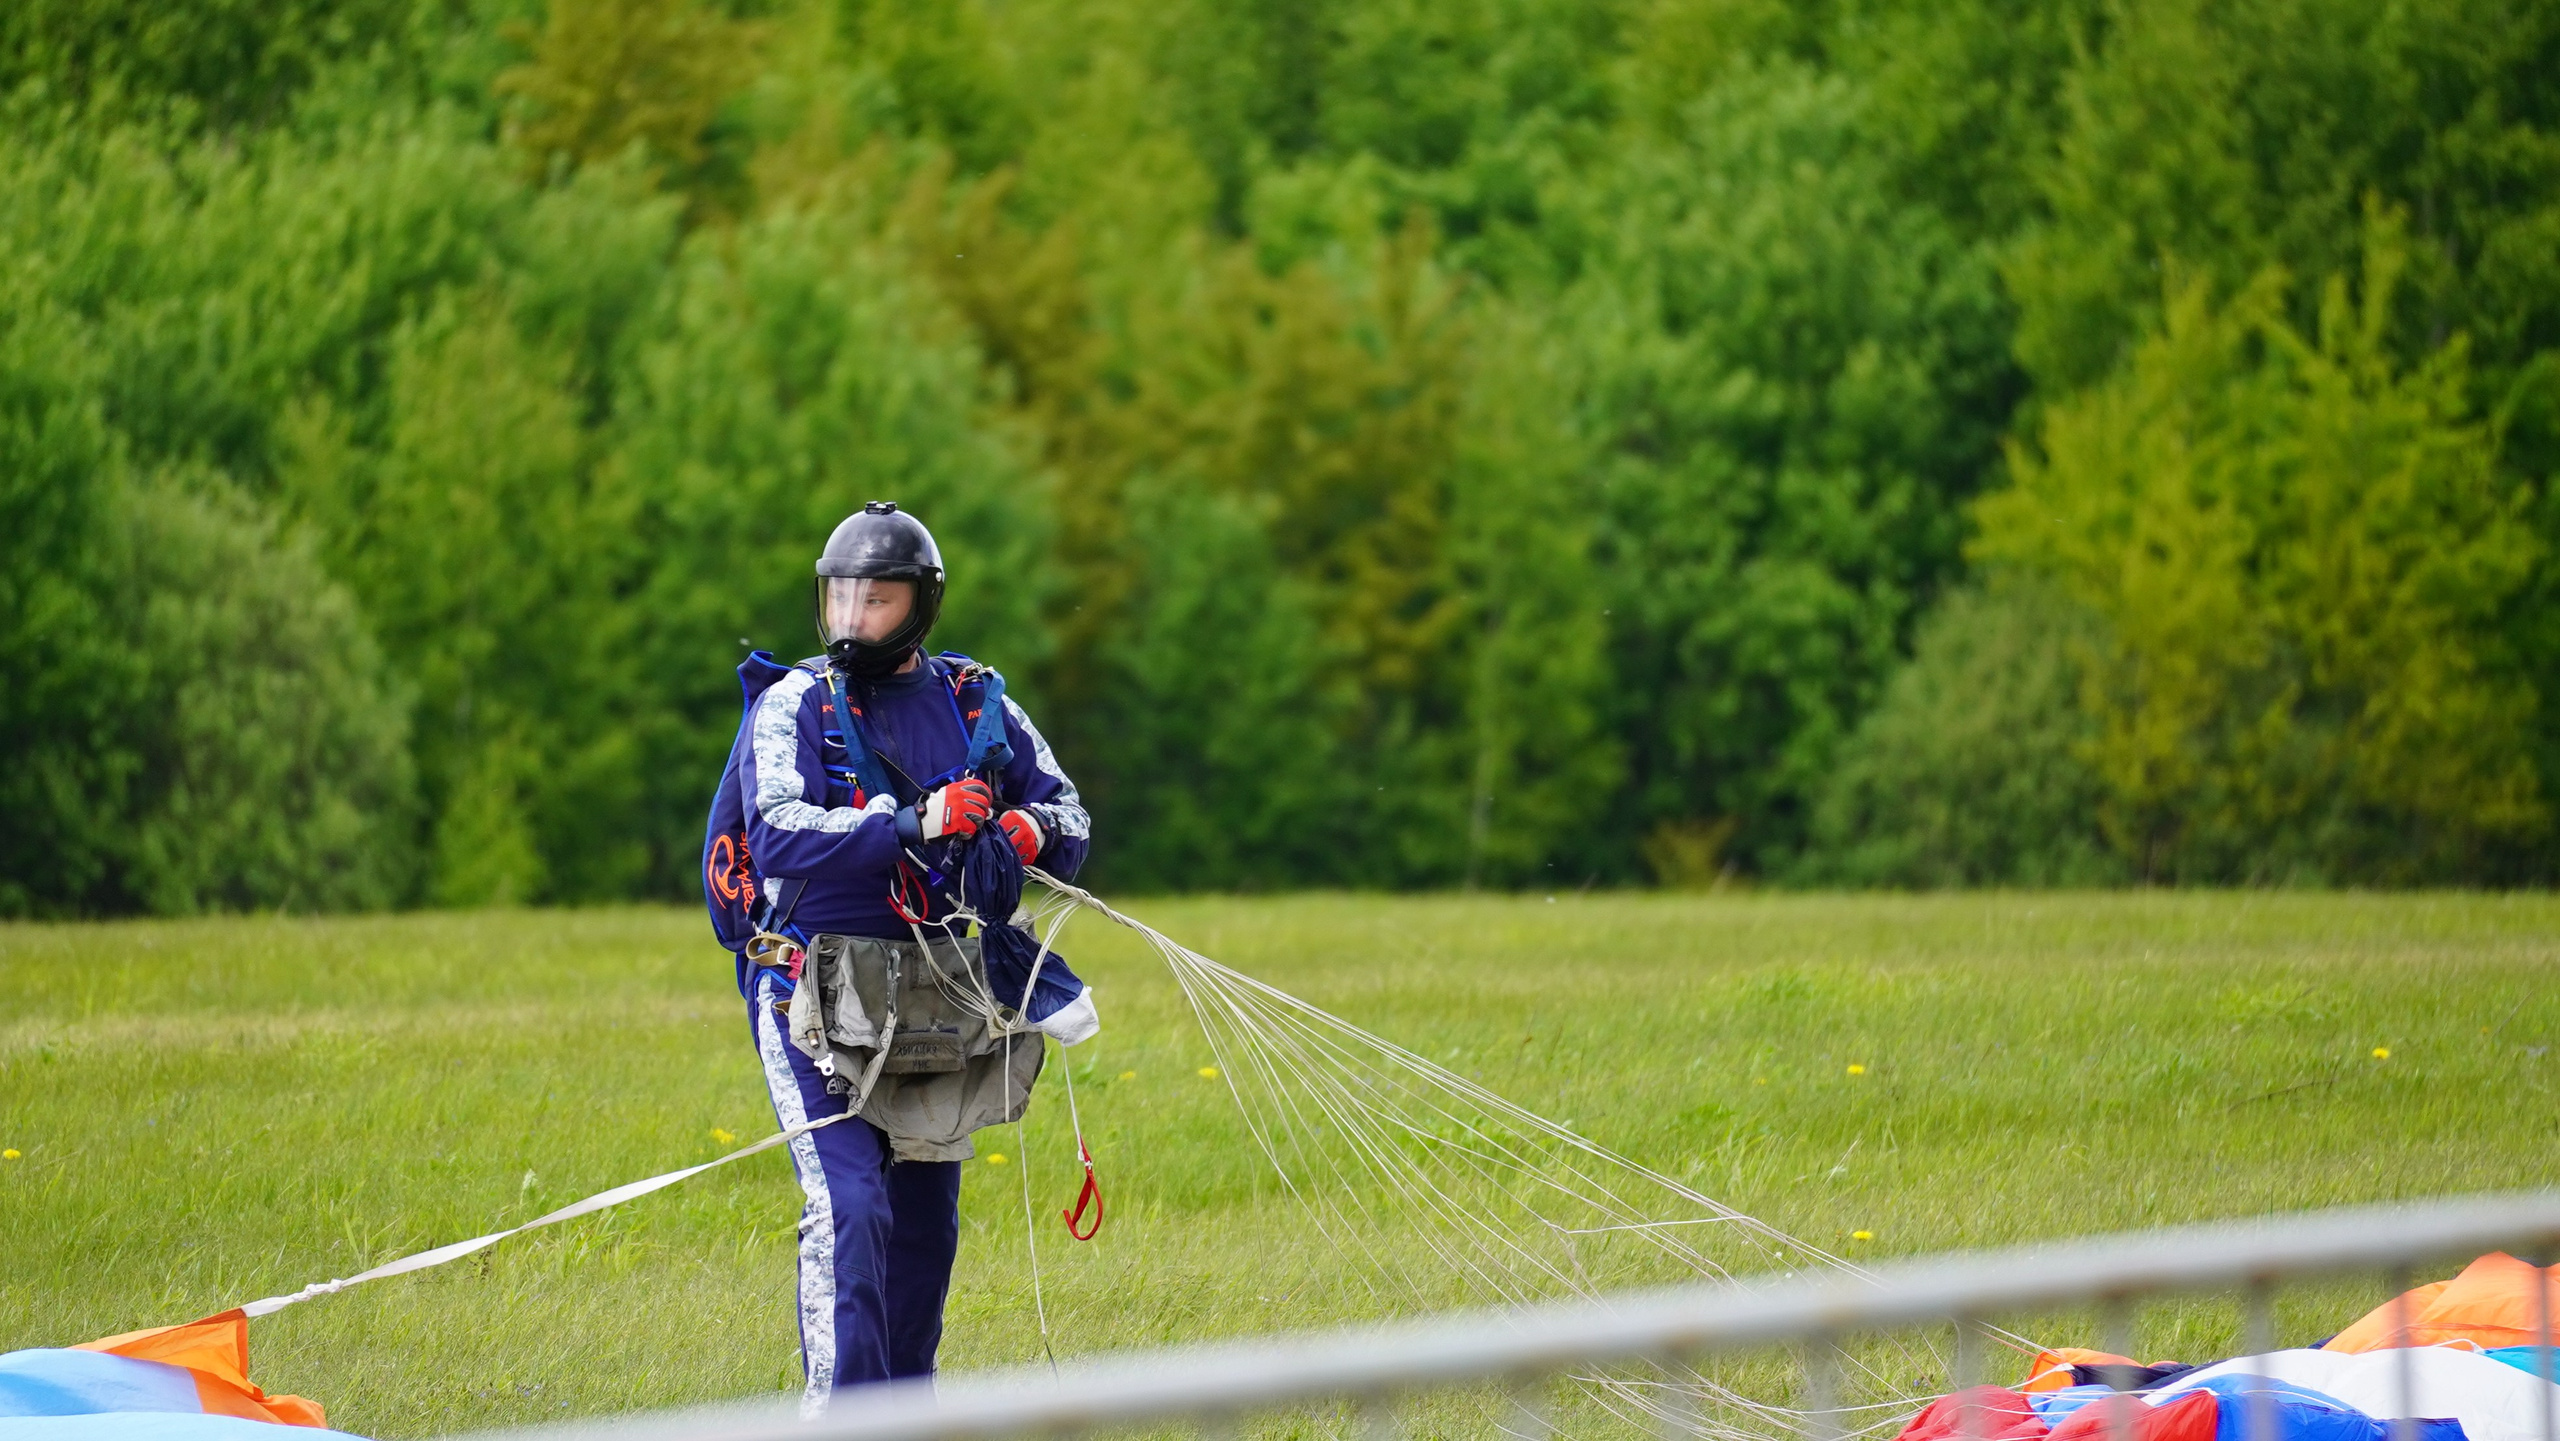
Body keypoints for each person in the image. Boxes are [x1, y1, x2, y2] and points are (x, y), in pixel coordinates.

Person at [713, 502, 1091, 1413]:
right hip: (806, 986)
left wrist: (1018, 826)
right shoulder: (791, 701)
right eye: (840, 597)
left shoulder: (975, 699)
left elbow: (1070, 817)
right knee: (853, 1209)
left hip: (933, 990)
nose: (852, 618)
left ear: (919, 606)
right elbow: (777, 835)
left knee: (925, 1228)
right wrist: (913, 820)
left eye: (876, 600)